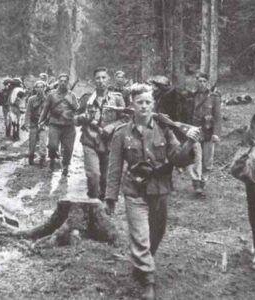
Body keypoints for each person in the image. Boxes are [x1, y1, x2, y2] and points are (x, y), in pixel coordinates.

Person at [105, 83, 201, 300]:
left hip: (160, 189)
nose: (144, 106)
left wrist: (189, 142)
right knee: (140, 235)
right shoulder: (121, 134)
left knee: (156, 234)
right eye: (140, 102)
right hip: (134, 191)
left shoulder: (164, 129)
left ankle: (142, 262)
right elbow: (114, 168)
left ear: (153, 103)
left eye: (148, 102)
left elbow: (177, 158)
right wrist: (110, 197)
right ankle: (148, 280)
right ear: (132, 104)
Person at [75, 67, 127, 200]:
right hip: (90, 141)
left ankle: (100, 205)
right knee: (94, 176)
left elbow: (125, 119)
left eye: (104, 77)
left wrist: (111, 127)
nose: (101, 81)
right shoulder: (87, 99)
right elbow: (75, 120)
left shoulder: (117, 98)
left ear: (108, 80)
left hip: (109, 143)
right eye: (98, 78)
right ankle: (92, 202)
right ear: (94, 80)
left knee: (105, 179)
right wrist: (83, 117)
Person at [188, 72, 221, 196]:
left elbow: (217, 117)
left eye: (204, 81)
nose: (201, 84)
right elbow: (188, 114)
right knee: (196, 158)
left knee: (207, 160)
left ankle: (203, 180)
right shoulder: (191, 97)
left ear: (208, 82)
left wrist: (216, 133)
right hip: (195, 131)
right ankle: (197, 183)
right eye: (199, 81)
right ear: (196, 82)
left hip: (208, 131)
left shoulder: (214, 97)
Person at [38, 73, 78, 176]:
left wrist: (71, 103)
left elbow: (77, 109)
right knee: (52, 146)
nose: (63, 83)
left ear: (67, 82)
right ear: (58, 82)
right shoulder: (51, 94)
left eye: (65, 81)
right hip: (55, 124)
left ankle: (65, 167)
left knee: (68, 148)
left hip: (69, 126)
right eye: (61, 81)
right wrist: (40, 121)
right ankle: (52, 160)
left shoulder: (72, 95)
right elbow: (45, 109)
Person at [22, 80, 47, 167]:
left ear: (44, 88)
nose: (40, 89)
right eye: (38, 87)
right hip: (33, 123)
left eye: (41, 87)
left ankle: (42, 159)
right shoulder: (31, 99)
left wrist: (45, 122)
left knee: (43, 142)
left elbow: (50, 113)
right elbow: (28, 112)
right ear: (35, 88)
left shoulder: (48, 99)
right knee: (32, 142)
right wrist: (27, 123)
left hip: (43, 124)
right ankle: (31, 156)